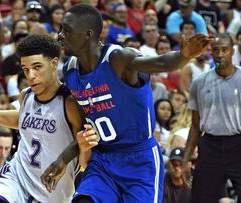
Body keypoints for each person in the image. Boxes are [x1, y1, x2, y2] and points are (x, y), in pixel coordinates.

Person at [41, 4, 210, 203]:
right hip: (103, 160)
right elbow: (86, 129)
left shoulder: (119, 59)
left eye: (66, 30)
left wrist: (183, 56)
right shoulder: (71, 72)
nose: (59, 35)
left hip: (140, 161)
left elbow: (162, 63)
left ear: (88, 34)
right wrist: (63, 159)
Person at [0, 34, 94, 203]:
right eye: (26, 69)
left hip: (52, 188)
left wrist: (65, 160)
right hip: (18, 175)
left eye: (37, 67)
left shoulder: (69, 102)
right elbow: (20, 119)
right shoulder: (25, 96)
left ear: (54, 63)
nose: (30, 75)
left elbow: (82, 146)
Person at [183, 33, 241, 202]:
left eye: (224, 50)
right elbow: (195, 125)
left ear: (232, 51)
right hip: (210, 146)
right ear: (210, 52)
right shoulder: (199, 82)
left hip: (238, 144)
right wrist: (186, 158)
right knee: (200, 198)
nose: (220, 54)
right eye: (215, 50)